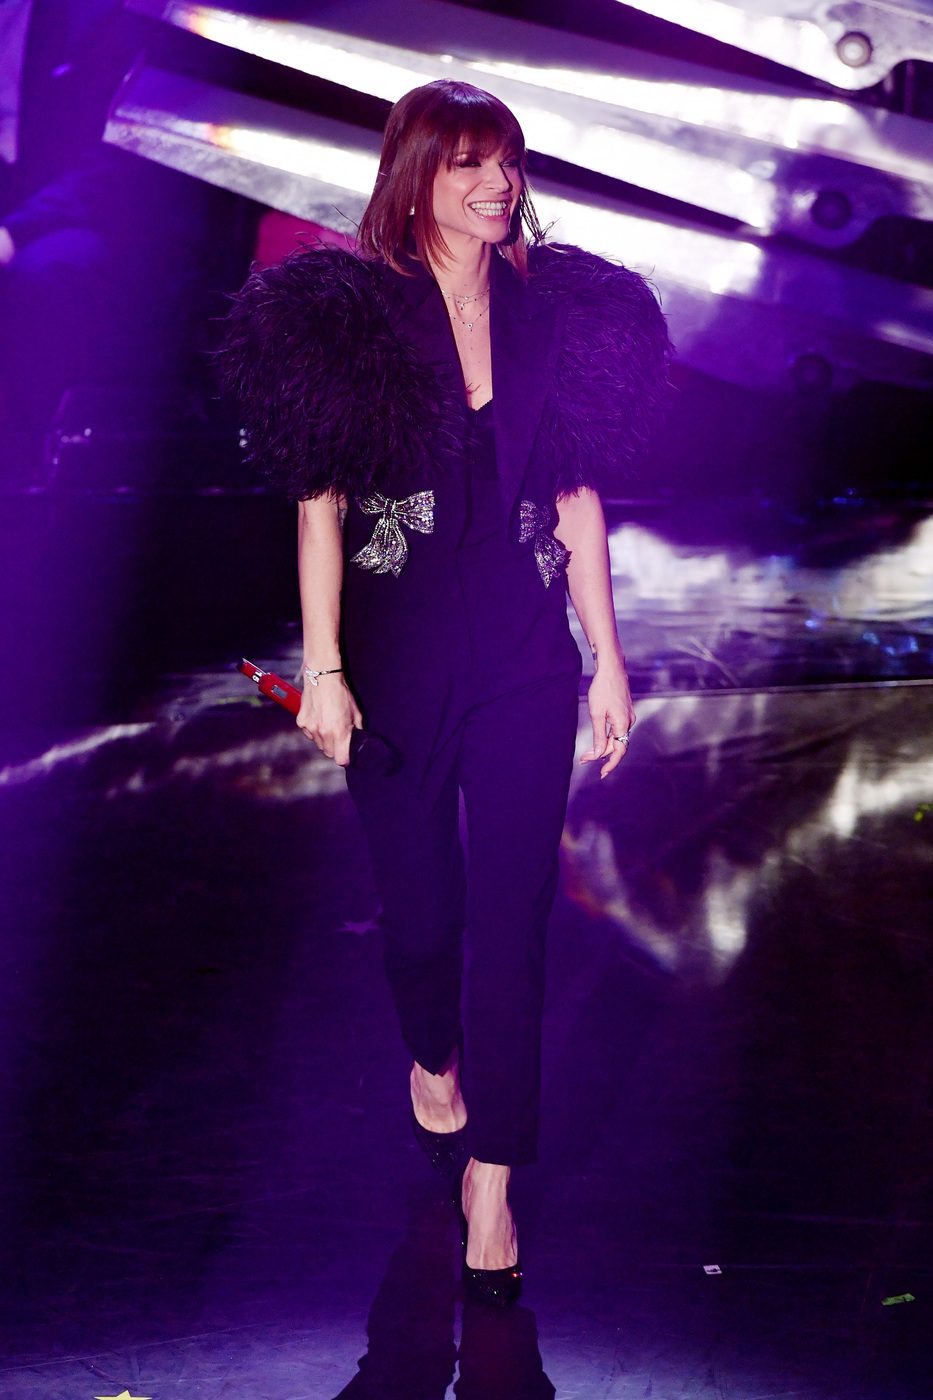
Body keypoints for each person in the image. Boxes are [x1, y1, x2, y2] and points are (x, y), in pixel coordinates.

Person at [220, 79, 672, 1307]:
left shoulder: (553, 311)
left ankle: (493, 1179)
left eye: (507, 160)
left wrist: (607, 655)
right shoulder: (350, 319)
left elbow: (575, 497)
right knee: (423, 918)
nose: (498, 183)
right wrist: (323, 667)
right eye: (470, 161)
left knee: (514, 920)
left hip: (524, 654)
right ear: (416, 174)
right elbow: (319, 505)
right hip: (399, 657)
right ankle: (433, 1060)